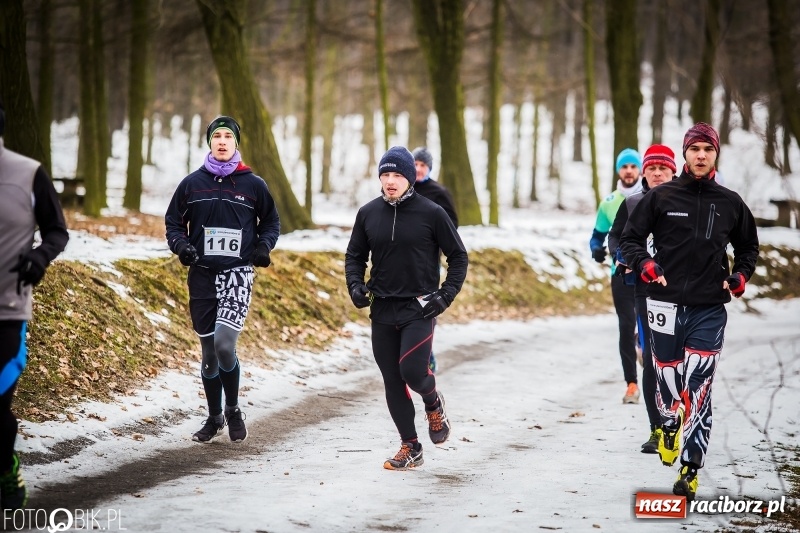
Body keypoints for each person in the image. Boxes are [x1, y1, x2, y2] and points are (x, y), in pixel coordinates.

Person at [620, 123, 759, 501]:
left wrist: (741, 275)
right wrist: (646, 265)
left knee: (699, 385)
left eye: (707, 150)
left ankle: (690, 468)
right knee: (666, 378)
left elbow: (748, 248)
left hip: (708, 307)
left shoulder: (730, 202)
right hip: (662, 302)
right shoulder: (661, 197)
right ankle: (667, 424)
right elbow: (630, 240)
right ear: (685, 153)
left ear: (715, 155)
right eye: (694, 148)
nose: (700, 155)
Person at [345, 146, 468, 470]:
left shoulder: (432, 212)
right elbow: (354, 255)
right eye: (385, 174)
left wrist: (445, 295)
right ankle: (410, 446)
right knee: (391, 380)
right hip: (383, 308)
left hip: (420, 308)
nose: (390, 181)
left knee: (413, 371)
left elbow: (458, 256)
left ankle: (433, 401)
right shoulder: (369, 213)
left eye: (397, 174)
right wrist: (355, 285)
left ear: (410, 178)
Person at [165, 116, 280, 444]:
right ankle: (214, 417)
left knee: (225, 345)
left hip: (237, 273)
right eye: (217, 135)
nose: (223, 140)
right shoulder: (191, 184)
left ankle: (232, 410)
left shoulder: (252, 184)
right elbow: (173, 222)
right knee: (209, 354)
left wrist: (262, 246)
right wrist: (182, 246)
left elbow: (271, 221)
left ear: (236, 143)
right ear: (210, 142)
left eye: (228, 136)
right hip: (201, 275)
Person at [0, 99, 69, 511]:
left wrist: (39, 258)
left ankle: (5, 467)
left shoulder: (28, 173)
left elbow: (57, 231)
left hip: (8, 308)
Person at [608, 144, 676, 454]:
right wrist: (625, 259)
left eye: (664, 167)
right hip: (645, 292)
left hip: (683, 293)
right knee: (650, 360)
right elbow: (620, 240)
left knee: (677, 362)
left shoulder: (689, 202)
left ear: (674, 170)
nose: (658, 173)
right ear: (644, 173)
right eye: (652, 168)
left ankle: (677, 417)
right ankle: (656, 429)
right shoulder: (632, 203)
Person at [589, 148, 643, 404]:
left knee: (646, 324)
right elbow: (597, 235)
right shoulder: (609, 202)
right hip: (619, 273)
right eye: (625, 167)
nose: (629, 171)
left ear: (640, 169)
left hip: (651, 272)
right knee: (625, 325)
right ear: (618, 171)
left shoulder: (653, 197)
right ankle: (631, 384)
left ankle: (642, 345)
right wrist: (596, 250)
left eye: (633, 166)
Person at [411, 146, 458, 374]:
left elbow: (452, 225)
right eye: (415, 164)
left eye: (422, 165)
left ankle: (426, 351)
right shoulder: (402, 188)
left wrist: (433, 236)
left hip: (430, 260)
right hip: (403, 260)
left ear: (429, 168)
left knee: (426, 303)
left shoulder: (438, 192)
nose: (418, 169)